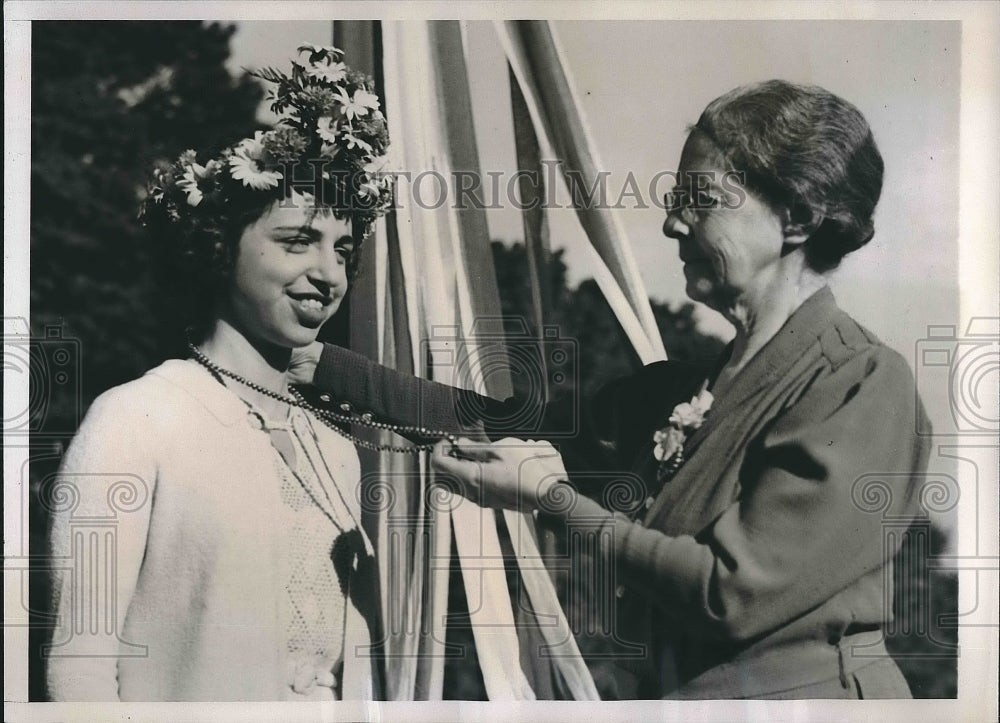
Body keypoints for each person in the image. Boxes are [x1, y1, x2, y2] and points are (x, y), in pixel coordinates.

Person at [304, 80, 933, 699]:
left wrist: (550, 499)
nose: (671, 223)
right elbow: (496, 425)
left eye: (700, 198)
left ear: (795, 218)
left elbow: (729, 595)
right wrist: (317, 364)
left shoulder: (862, 383)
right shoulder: (679, 390)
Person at [45, 45, 397, 701]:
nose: (329, 275)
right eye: (298, 241)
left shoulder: (337, 448)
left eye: (344, 251)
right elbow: (79, 667)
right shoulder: (134, 419)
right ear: (217, 245)